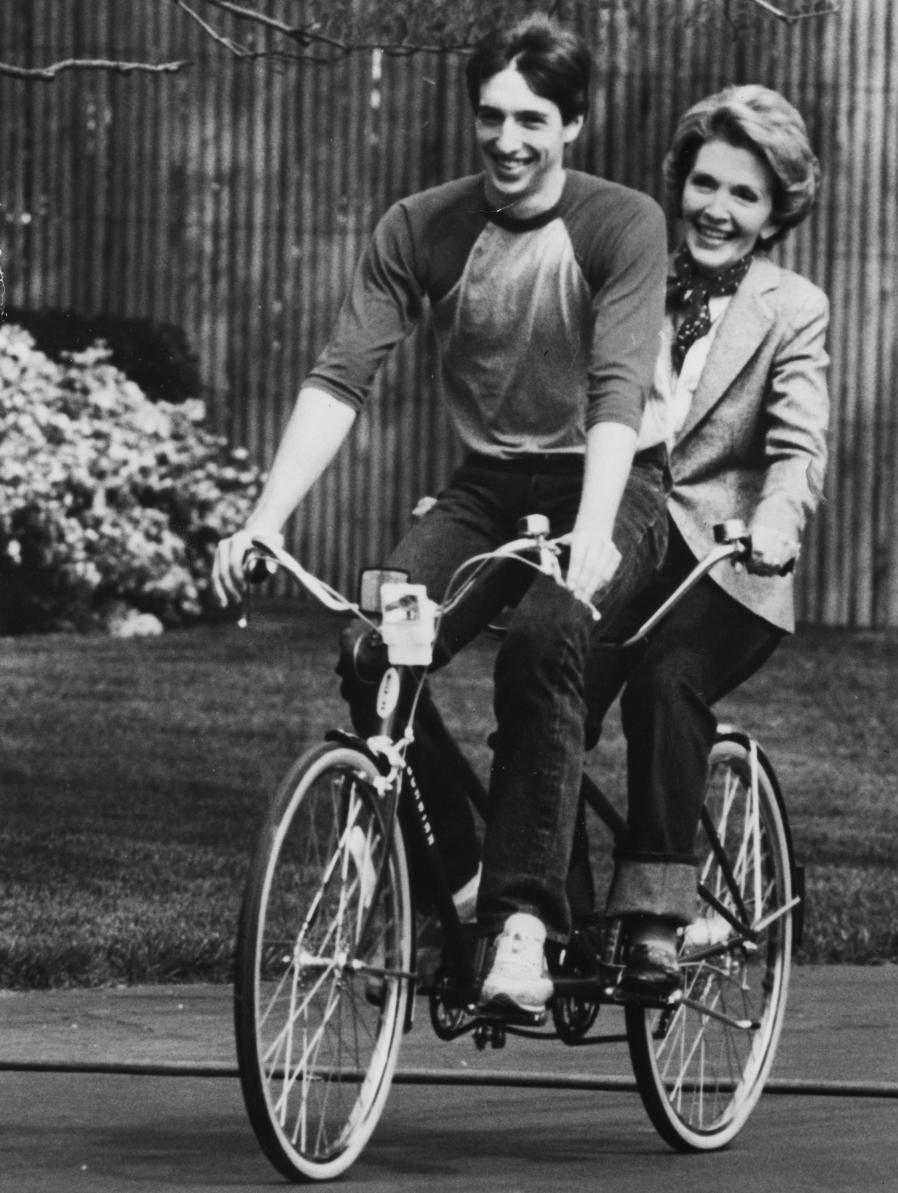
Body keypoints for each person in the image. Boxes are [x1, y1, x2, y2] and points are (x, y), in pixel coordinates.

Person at [212, 16, 670, 1019]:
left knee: (545, 639)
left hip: (617, 477)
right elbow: (341, 379)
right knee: (376, 649)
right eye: (492, 117)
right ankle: (461, 876)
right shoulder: (421, 225)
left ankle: (523, 925)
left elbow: (619, 392)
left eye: (534, 120)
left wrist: (593, 533)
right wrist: (264, 519)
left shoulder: (621, 222)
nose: (508, 139)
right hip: (491, 486)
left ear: (574, 126)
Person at [582, 83, 830, 995]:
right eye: (706, 183)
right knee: (549, 679)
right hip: (628, 535)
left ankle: (654, 914)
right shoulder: (631, 274)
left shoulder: (793, 306)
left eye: (746, 195)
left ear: (775, 213)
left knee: (664, 682)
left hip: (729, 569)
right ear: (679, 180)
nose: (717, 210)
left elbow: (798, 444)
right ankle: (550, 906)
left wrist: (774, 518)